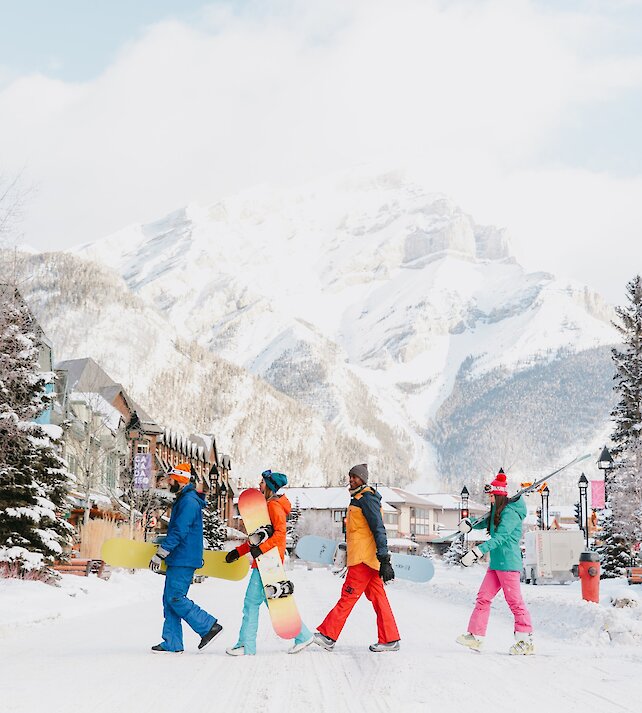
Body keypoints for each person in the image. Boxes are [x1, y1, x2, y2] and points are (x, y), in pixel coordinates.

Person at [224, 470, 314, 655]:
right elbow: (258, 537)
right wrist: (239, 552)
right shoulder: (268, 505)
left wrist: (261, 550)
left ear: (270, 486)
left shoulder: (274, 507)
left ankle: (246, 646)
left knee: (251, 603)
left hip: (268, 562)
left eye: (262, 483)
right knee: (275, 602)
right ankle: (303, 636)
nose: (259, 486)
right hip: (266, 561)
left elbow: (280, 534)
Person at [314, 463, 400, 653]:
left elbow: (378, 528)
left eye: (356, 477)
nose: (351, 480)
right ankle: (390, 638)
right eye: (350, 476)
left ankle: (328, 635)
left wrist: (385, 558)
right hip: (365, 558)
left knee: (348, 596)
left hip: (363, 559)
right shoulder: (358, 498)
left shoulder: (367, 499)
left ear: (363, 479)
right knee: (379, 598)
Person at [456, 468, 534, 655]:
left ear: (498, 496)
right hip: (496, 564)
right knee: (483, 597)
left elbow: (500, 538)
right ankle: (476, 636)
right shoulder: (498, 511)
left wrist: (477, 551)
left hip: (508, 564)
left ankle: (525, 641)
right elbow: (486, 522)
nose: (489, 499)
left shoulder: (510, 514)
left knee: (514, 601)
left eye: (491, 496)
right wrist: (470, 523)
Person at [149, 462, 222, 653]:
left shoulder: (188, 502)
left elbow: (180, 531)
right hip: (179, 557)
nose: (168, 483)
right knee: (169, 599)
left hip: (184, 558)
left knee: (175, 597)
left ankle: (208, 626)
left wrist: (161, 553)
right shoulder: (184, 499)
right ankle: (173, 642)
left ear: (180, 480)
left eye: (171, 479)